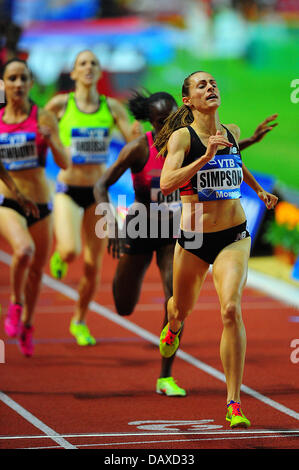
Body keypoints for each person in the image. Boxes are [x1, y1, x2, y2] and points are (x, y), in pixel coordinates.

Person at [94, 88, 277, 397]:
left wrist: (248, 143)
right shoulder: (139, 148)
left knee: (175, 298)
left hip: (177, 229)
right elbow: (101, 185)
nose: (170, 125)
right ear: (151, 121)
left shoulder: (187, 140)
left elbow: (220, 157)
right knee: (123, 305)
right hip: (141, 225)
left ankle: (165, 375)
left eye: (173, 118)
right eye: (162, 121)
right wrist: (110, 224)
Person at [154, 71, 278, 426]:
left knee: (230, 310)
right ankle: (173, 324)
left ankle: (233, 402)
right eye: (201, 85)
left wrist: (258, 190)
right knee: (181, 308)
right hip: (194, 239)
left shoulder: (232, 132)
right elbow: (166, 184)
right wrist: (203, 158)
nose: (211, 87)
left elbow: (236, 165)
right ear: (187, 101)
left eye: (213, 83)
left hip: (234, 236)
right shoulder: (182, 138)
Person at [45, 49, 138, 346]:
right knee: (71, 250)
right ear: (73, 73)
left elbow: (133, 140)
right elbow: (36, 128)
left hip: (98, 194)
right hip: (68, 190)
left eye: (94, 63)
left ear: (100, 72)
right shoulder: (61, 104)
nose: (88, 67)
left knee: (92, 265)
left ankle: (79, 320)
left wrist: (136, 132)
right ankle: (61, 255)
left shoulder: (112, 108)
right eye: (82, 63)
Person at [0, 58, 68, 357]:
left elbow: (65, 162)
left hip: (41, 202)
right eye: (12, 78)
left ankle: (28, 323)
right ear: (4, 84)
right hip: (9, 201)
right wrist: (14, 189)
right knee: (23, 250)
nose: (17, 84)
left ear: (30, 83)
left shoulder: (44, 118)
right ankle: (15, 304)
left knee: (38, 270)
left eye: (22, 78)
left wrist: (51, 139)